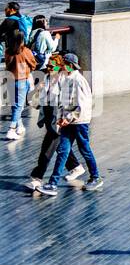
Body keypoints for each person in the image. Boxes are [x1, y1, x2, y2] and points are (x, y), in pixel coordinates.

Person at [34, 53, 103, 197]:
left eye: (64, 64)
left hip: (79, 122)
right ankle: (53, 184)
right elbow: (63, 103)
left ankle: (95, 177)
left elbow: (83, 106)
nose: (61, 67)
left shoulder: (79, 81)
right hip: (68, 122)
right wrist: (62, 118)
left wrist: (69, 118)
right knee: (63, 151)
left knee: (84, 149)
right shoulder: (66, 79)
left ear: (70, 66)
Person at [26, 54, 82, 190]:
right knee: (58, 147)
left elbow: (70, 102)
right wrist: (37, 90)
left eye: (53, 66)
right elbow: (34, 101)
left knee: (47, 148)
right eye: (48, 66)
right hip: (48, 117)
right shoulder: (46, 78)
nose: (49, 68)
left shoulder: (64, 81)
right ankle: (76, 167)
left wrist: (66, 118)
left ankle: (37, 177)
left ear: (59, 66)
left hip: (58, 119)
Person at [4, 30, 36, 139]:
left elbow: (7, 65)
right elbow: (33, 64)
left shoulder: (8, 51)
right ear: (22, 40)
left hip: (10, 79)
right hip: (22, 79)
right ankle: (11, 129)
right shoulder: (25, 51)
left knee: (15, 105)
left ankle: (20, 126)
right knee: (19, 106)